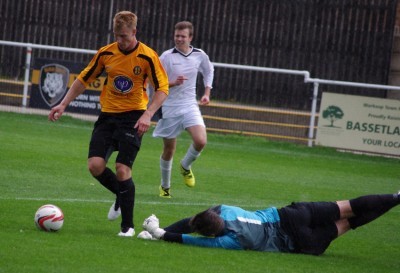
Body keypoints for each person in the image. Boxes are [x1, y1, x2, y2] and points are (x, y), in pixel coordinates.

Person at [48, 11, 169, 237]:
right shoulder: (106, 53)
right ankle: (121, 196)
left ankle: (128, 227)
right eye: (116, 35)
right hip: (107, 116)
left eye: (124, 36)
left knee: (123, 169)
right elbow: (84, 78)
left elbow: (162, 88)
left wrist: (148, 114)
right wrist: (62, 104)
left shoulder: (147, 56)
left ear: (134, 32)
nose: (120, 40)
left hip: (134, 117)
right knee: (95, 166)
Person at [139, 191, 400, 255]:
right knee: (349, 207)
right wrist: (159, 231)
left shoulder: (227, 242)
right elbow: (192, 223)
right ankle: (395, 197)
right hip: (293, 217)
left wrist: (158, 234)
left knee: (351, 223)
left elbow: (189, 236)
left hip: (299, 243)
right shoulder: (224, 209)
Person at [152, 21, 214, 198]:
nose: (179, 39)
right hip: (169, 106)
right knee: (169, 149)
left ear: (190, 38)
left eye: (183, 36)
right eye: (177, 36)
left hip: (189, 105)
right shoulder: (166, 57)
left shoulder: (199, 55)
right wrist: (172, 83)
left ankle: (185, 166)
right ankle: (165, 187)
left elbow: (209, 71)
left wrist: (206, 93)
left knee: (201, 140)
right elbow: (155, 81)